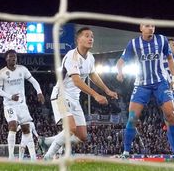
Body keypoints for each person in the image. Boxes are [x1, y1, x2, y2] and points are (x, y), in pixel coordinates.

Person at [41, 27, 118, 160]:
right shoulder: (72, 55)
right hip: (61, 95)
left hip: (74, 99)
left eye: (92, 36)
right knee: (71, 128)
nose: (91, 39)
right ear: (78, 40)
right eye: (87, 36)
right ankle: (47, 157)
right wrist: (95, 95)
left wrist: (106, 90)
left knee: (82, 136)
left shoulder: (91, 58)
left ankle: (47, 142)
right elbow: (76, 81)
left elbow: (93, 75)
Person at [116, 24, 174, 159]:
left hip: (161, 83)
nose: (151, 28)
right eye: (147, 26)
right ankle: (126, 153)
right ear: (141, 28)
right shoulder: (133, 44)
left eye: (153, 25)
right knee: (132, 118)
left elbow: (170, 58)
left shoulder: (162, 40)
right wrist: (120, 72)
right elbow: (121, 61)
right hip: (142, 85)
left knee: (170, 115)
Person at [0, 49, 45, 160]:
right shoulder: (1, 73)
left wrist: (39, 92)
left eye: (15, 57)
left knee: (26, 129)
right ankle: (11, 157)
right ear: (6, 58)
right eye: (11, 56)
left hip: (22, 105)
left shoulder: (22, 69)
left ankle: (33, 159)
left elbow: (33, 81)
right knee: (12, 126)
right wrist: (10, 96)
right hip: (9, 105)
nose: (14, 58)